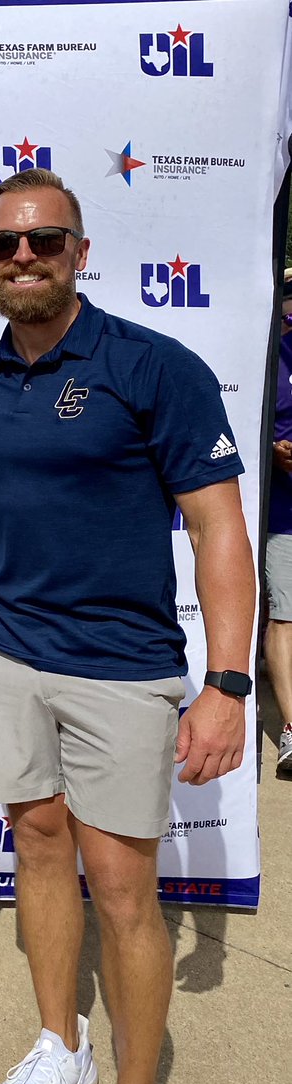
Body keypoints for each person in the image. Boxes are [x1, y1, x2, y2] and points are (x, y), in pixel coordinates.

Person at [0, 169, 254, 1084]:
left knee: (127, 891)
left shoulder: (152, 367)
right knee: (39, 849)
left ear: (81, 250)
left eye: (46, 241)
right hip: (4, 655)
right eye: (6, 246)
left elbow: (221, 527)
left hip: (122, 673)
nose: (26, 259)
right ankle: (62, 1045)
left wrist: (228, 680)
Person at [265, 283, 292, 775]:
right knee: (286, 617)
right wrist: (273, 447)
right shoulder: (274, 354)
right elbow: (249, 418)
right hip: (285, 513)